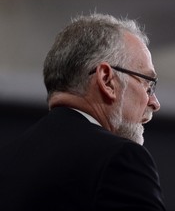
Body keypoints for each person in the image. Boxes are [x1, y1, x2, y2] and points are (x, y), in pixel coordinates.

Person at [0, 13, 165, 210]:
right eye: (148, 84)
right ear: (107, 80)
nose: (155, 103)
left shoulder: (6, 161)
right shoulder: (119, 159)